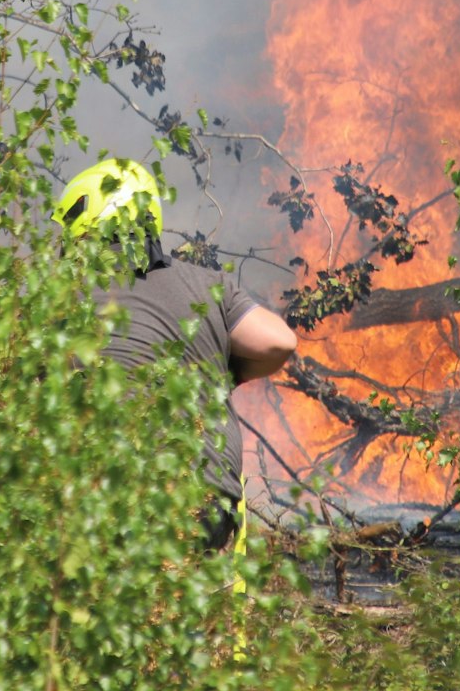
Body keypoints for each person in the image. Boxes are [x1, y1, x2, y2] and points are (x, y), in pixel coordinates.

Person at [52, 158, 297, 550]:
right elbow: (279, 342)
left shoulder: (60, 296)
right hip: (206, 503)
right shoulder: (206, 284)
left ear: (85, 221)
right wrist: (225, 371)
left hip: (111, 504)